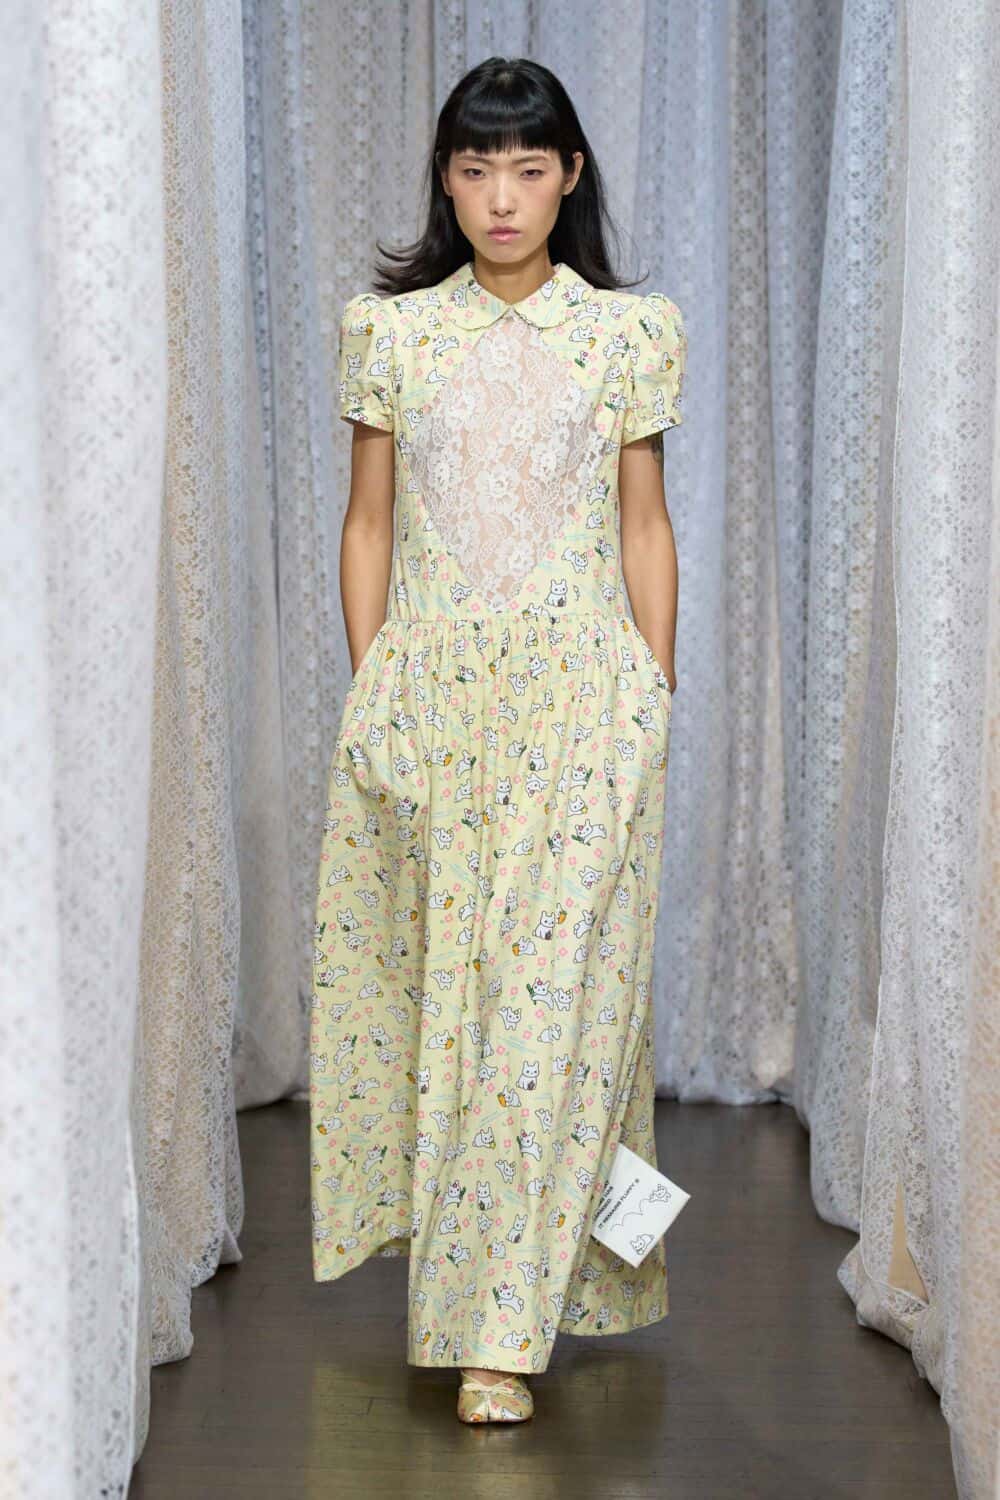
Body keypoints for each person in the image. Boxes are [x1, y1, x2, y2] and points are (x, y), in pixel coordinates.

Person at [309, 54, 687, 1426]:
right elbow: (369, 522)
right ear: (447, 182)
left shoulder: (629, 334)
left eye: (529, 168)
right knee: (457, 1012)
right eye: (477, 170)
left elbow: (645, 522)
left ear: (570, 177)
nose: (503, 197)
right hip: (437, 710)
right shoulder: (392, 333)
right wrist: (376, 687)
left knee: (560, 1012)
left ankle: (497, 1341)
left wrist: (652, 696)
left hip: (585, 707)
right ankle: (490, 1298)